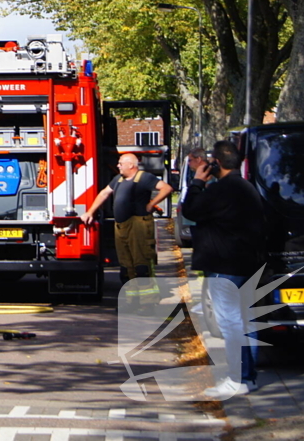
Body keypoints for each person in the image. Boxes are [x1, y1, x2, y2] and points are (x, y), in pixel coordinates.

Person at [184, 140, 267, 397]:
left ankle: (238, 379)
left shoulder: (221, 190)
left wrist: (197, 181)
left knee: (231, 324)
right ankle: (248, 377)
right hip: (247, 264)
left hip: (224, 266)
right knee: (246, 322)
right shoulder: (247, 188)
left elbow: (191, 210)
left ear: (216, 162)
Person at [80, 153, 172, 287]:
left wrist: (152, 204)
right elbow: (104, 193)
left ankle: (147, 301)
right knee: (125, 265)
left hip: (139, 226)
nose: (118, 166)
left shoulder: (145, 177)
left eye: (121, 163)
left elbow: (167, 188)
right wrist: (90, 212)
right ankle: (130, 301)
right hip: (121, 227)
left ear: (131, 165)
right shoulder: (118, 179)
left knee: (142, 265)